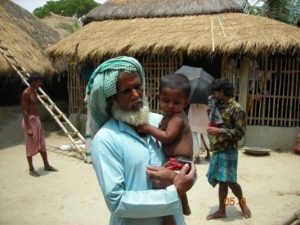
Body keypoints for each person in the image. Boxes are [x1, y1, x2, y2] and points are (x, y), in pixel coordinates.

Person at [86, 56, 196, 225]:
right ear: (112, 98)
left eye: (138, 86)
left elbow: (187, 167)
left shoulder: (158, 121)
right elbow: (116, 201)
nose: (136, 95)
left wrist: (178, 178)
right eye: (126, 91)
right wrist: (173, 192)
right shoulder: (106, 140)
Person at [137, 73, 193, 223]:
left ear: (185, 103)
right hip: (178, 160)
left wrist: (148, 128)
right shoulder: (167, 116)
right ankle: (185, 206)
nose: (170, 105)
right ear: (158, 97)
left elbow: (168, 136)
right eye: (166, 100)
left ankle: (168, 217)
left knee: (160, 184)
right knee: (174, 183)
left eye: (176, 102)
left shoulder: (177, 117)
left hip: (178, 160)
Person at [206, 79, 251, 220]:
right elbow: (214, 119)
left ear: (221, 92)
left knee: (230, 181)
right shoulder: (217, 105)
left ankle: (242, 203)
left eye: (215, 92)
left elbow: (239, 133)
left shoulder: (237, 109)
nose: (213, 94)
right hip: (218, 148)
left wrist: (220, 132)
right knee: (221, 181)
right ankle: (221, 210)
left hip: (228, 149)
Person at [21, 73, 57, 177]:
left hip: (36, 120)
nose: (40, 83)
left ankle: (46, 165)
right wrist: (28, 128)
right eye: (39, 81)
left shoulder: (35, 91)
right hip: (29, 121)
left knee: (42, 144)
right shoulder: (26, 93)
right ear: (33, 82)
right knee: (30, 145)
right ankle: (31, 169)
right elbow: (24, 111)